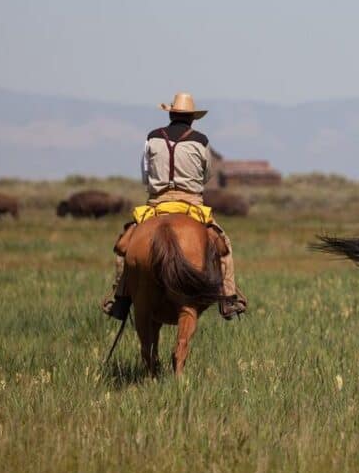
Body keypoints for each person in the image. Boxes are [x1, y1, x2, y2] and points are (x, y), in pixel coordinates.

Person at [100, 92, 248, 321]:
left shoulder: (152, 138)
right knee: (224, 246)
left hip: (157, 203)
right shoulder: (201, 140)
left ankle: (120, 299)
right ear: (192, 118)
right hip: (191, 204)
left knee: (125, 247)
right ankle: (228, 298)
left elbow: (145, 174)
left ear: (170, 114)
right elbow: (207, 174)